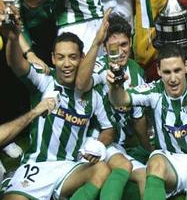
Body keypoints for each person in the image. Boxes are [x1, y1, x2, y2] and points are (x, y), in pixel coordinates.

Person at [1, 19, 115, 200]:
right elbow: (17, 64)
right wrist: (13, 40)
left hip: (68, 168)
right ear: (53, 58)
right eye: (61, 57)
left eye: (72, 57)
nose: (66, 64)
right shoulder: (44, 81)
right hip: (38, 166)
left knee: (101, 169)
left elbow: (109, 129)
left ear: (82, 58)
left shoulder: (92, 93)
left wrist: (99, 144)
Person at [107, 42, 187, 200]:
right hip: (170, 163)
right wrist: (115, 87)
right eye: (167, 72)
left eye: (177, 70)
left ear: (185, 66)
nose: (173, 78)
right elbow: (120, 100)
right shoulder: (154, 91)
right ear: (158, 71)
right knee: (155, 160)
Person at [75, 13, 150, 198]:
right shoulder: (99, 68)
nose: (121, 51)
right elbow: (81, 85)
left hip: (119, 147)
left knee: (146, 177)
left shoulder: (136, 71)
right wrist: (95, 41)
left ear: (131, 43)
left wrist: (149, 149)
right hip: (96, 143)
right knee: (123, 166)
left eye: (124, 45)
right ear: (106, 49)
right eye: (114, 47)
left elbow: (138, 118)